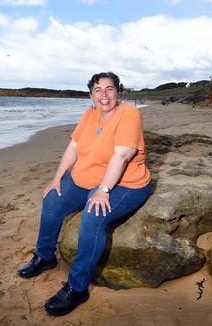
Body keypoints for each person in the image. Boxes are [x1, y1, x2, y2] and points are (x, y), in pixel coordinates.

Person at [17, 72, 152, 316]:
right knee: (52, 198)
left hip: (127, 183)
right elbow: (74, 147)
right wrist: (57, 178)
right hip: (85, 179)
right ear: (91, 95)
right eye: (98, 90)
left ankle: (78, 288)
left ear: (117, 92)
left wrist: (102, 190)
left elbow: (121, 155)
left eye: (109, 89)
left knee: (93, 214)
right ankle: (44, 256)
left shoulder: (129, 114)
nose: (104, 95)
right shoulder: (90, 115)